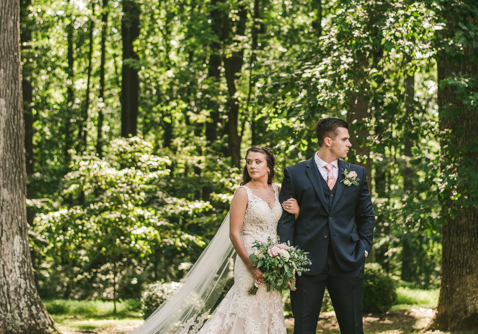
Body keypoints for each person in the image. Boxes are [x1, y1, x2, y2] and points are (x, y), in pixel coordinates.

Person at [131, 146, 299, 334]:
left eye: (257, 162)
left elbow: (284, 225)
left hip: (273, 259)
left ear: (269, 167)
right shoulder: (243, 192)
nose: (252, 166)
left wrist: (297, 214)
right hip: (249, 256)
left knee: (269, 307)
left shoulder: (277, 190)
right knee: (247, 307)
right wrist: (250, 263)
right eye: (249, 161)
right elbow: (234, 233)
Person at [277, 118, 375, 334]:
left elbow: (366, 215)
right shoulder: (295, 173)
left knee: (353, 328)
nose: (350, 144)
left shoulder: (356, 173)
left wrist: (364, 248)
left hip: (348, 260)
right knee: (303, 328)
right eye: (345, 139)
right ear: (328, 141)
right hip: (306, 261)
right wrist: (288, 256)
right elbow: (285, 220)